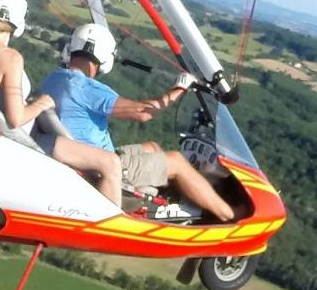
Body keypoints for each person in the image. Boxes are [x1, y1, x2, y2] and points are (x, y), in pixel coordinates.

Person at [39, 23, 236, 221]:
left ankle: (183, 201)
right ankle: (229, 216)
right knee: (176, 161)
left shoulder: (55, 78)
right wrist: (180, 88)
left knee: (152, 147)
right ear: (105, 59)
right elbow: (143, 113)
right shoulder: (87, 88)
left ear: (71, 49)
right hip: (102, 170)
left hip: (85, 158)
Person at [0, 0, 122, 191]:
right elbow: (16, 119)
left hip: (13, 138)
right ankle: (111, 222)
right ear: (18, 20)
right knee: (111, 163)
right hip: (30, 142)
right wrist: (40, 103)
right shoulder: (10, 58)